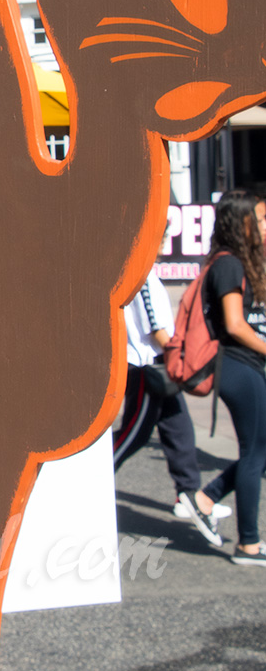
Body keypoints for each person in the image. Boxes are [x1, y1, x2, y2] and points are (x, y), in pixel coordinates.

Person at [113, 267, 229, 546]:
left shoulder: (148, 272)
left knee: (180, 430)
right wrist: (180, 355)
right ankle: (90, 478)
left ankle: (187, 493)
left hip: (160, 363)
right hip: (147, 365)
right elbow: (155, 326)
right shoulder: (140, 274)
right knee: (134, 434)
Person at [198, 189, 266, 563]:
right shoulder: (228, 265)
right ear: (241, 223)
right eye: (261, 219)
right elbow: (235, 325)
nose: (265, 225)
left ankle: (206, 497)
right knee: (254, 453)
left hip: (246, 366)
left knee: (260, 450)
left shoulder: (239, 261)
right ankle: (248, 544)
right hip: (238, 366)